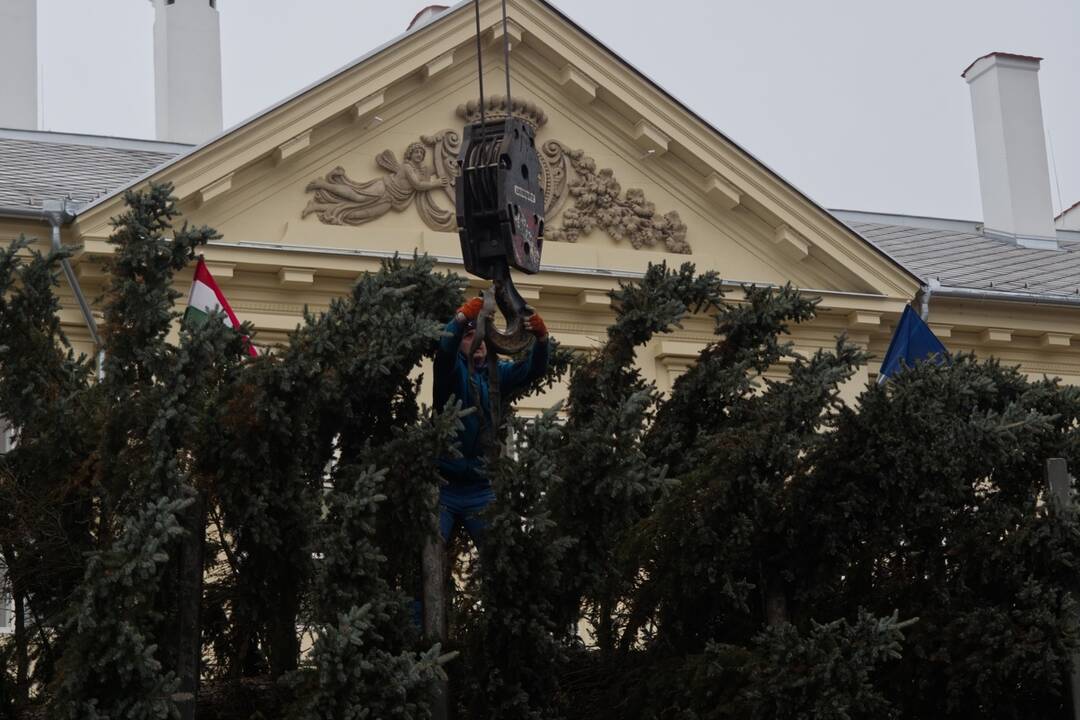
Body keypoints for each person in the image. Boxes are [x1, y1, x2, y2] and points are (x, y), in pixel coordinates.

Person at [433, 295, 550, 546]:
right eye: (468, 336)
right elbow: (445, 350)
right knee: (433, 553)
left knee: (498, 554)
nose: (478, 342)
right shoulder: (452, 372)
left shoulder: (495, 374)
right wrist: (461, 318)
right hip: (443, 487)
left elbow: (533, 369)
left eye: (482, 337)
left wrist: (542, 339)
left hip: (480, 487)